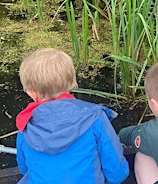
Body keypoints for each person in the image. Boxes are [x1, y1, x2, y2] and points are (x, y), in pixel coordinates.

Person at [15, 48, 129, 183]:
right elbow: (116, 172)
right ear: (71, 84)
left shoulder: (26, 126)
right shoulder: (95, 118)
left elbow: (23, 168)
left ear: (31, 93)